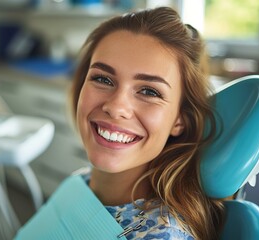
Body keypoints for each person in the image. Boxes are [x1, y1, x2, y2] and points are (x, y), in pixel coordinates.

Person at [16, 6, 225, 240]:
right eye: (102, 78)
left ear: (180, 119)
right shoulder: (82, 181)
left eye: (149, 91)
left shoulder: (160, 235)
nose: (116, 107)